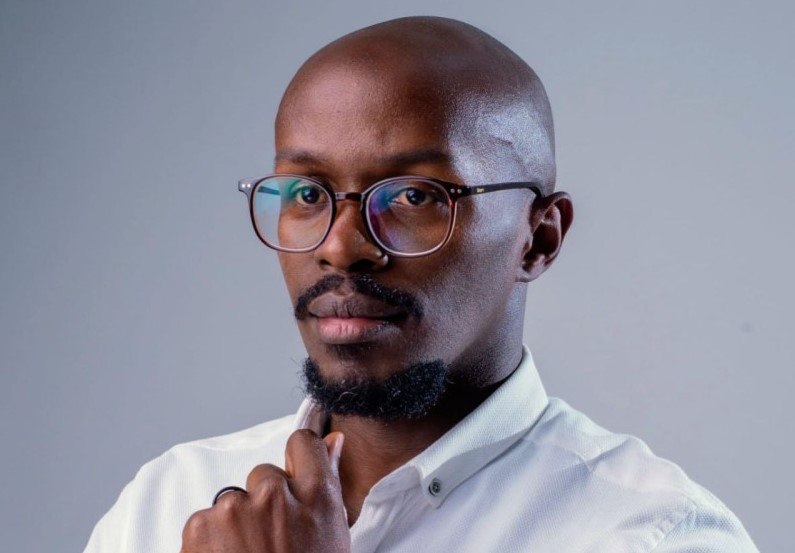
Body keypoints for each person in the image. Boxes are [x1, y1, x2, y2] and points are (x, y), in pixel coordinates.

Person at [83, 16, 759, 553]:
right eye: (307, 193)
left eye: (413, 196)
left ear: (538, 238)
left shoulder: (651, 536)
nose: (341, 246)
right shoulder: (167, 500)